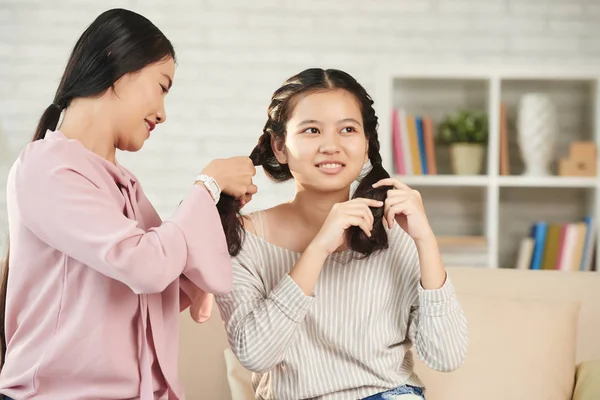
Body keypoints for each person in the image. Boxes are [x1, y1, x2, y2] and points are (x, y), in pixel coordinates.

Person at [0, 8, 256, 400]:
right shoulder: (45, 166)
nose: (163, 113)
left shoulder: (127, 187)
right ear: (118, 67)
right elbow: (146, 266)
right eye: (162, 86)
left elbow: (160, 291)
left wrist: (216, 211)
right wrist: (207, 185)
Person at [214, 68, 468, 400]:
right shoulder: (243, 237)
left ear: (366, 145)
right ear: (279, 146)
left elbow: (446, 356)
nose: (331, 146)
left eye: (347, 129)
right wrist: (318, 248)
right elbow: (256, 354)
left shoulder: (394, 227)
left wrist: (426, 241)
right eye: (311, 130)